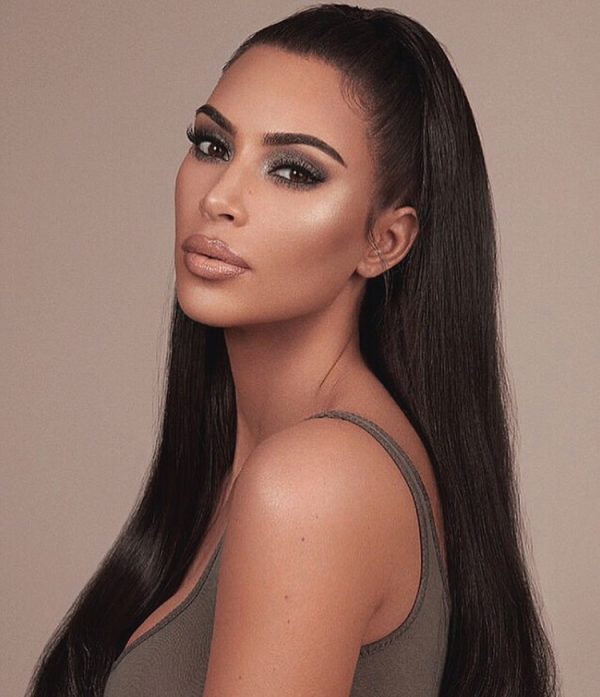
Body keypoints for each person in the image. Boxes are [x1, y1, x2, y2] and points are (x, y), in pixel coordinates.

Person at [27, 4, 559, 696]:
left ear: (384, 242)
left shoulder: (312, 484)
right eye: (212, 145)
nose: (220, 197)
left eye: (294, 171)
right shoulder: (250, 465)